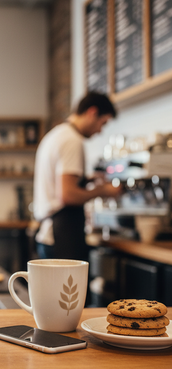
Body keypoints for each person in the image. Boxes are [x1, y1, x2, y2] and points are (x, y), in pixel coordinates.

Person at [33, 91, 122, 262]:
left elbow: (58, 183)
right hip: (61, 236)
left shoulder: (56, 135)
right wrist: (104, 190)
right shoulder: (72, 140)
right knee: (70, 290)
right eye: (102, 123)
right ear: (92, 113)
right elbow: (67, 195)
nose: (100, 131)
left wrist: (87, 180)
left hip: (49, 234)